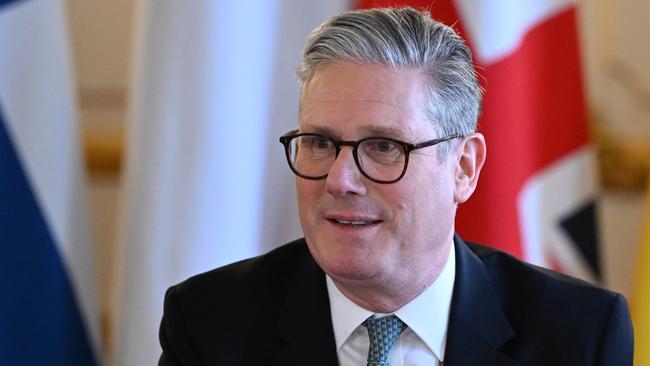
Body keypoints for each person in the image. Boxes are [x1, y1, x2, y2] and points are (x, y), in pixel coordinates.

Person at [158, 7, 633, 366]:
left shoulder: (579, 334)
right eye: (320, 142)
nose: (340, 180)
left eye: (384, 147)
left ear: (464, 167)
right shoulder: (209, 324)